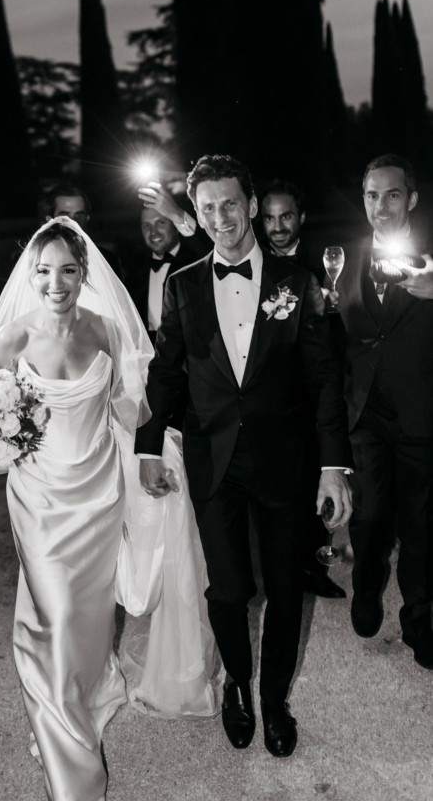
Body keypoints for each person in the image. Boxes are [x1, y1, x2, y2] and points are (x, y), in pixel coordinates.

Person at [0, 217, 220, 801]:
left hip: (99, 490)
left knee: (89, 611)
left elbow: (129, 406)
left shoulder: (108, 329)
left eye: (67, 270)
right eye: (44, 271)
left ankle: (93, 685)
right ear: (30, 275)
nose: (55, 282)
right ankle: (70, 764)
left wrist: (157, 452)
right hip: (38, 498)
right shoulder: (11, 340)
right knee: (52, 617)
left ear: (83, 272)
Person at [136, 155, 352, 758]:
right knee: (228, 591)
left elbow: (324, 380)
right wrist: (148, 445)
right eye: (207, 208)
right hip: (214, 459)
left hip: (285, 459)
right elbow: (165, 373)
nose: (220, 217)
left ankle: (275, 698)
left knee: (284, 589)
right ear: (197, 213)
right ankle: (237, 681)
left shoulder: (299, 282)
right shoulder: (182, 285)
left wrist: (333, 466)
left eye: (230, 203)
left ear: (251, 205)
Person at [329, 154, 433, 669]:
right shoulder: (343, 259)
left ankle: (420, 621)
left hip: (421, 415)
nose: (381, 205)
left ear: (410, 198)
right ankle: (367, 588)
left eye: (392, 194)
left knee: (421, 526)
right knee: (368, 518)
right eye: (372, 195)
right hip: (366, 416)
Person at [259, 179, 346, 600]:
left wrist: (336, 308)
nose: (277, 227)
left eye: (286, 216)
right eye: (269, 218)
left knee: (320, 480)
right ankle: (281, 569)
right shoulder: (252, 264)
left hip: (312, 393)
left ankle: (318, 567)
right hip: (271, 395)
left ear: (302, 217)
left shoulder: (324, 264)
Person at [125, 202, 203, 343]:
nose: (153, 232)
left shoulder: (197, 263)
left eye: (161, 223)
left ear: (176, 226)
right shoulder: (134, 273)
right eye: (146, 226)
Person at [43, 182, 121, 276]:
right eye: (64, 216)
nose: (73, 222)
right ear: (50, 220)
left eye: (79, 215)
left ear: (87, 218)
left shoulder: (107, 260)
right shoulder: (37, 259)